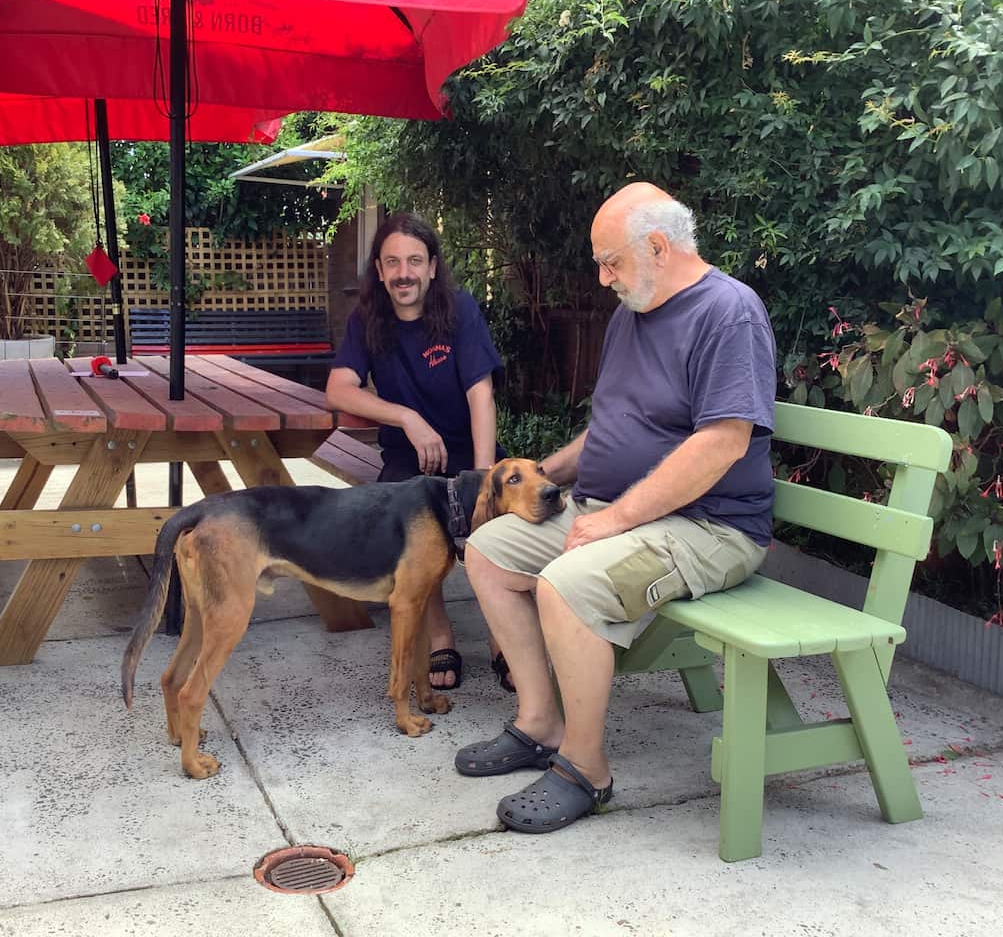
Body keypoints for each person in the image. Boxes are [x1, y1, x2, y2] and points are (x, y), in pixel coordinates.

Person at [453, 182, 777, 833]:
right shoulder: (635, 312)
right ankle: (540, 723)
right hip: (611, 510)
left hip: (706, 526)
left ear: (658, 247)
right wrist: (547, 473)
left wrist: (615, 519)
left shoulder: (728, 312)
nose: (602, 277)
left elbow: (722, 442)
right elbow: (612, 428)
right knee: (486, 550)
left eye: (610, 261)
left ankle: (585, 768)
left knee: (569, 585)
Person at [325, 211, 512, 692]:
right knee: (413, 537)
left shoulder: (460, 310)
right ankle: (440, 636)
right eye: (392, 263)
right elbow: (339, 388)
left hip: (471, 445)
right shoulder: (368, 318)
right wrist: (406, 418)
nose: (403, 272)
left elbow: (481, 394)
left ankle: (501, 637)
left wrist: (484, 477)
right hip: (410, 455)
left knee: (500, 530)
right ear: (380, 271)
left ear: (431, 267)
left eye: (413, 261)